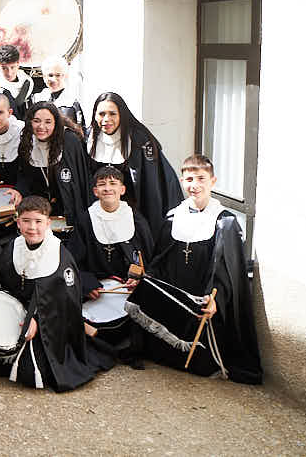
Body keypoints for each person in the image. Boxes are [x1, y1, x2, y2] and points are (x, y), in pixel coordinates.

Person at [0, 196, 115, 391]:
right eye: (26, 221)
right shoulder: (14, 246)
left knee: (31, 373)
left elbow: (66, 304)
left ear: (48, 223)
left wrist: (36, 319)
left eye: (38, 222)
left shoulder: (59, 255)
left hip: (50, 322)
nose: (32, 227)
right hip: (17, 310)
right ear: (17, 222)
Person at [138, 155, 262, 384]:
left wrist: (216, 298)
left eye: (200, 179)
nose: (194, 185)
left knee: (202, 363)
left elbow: (227, 271)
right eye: (189, 179)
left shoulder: (224, 222)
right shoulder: (173, 217)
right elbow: (161, 260)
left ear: (213, 181)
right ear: (182, 182)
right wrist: (148, 282)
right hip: (178, 295)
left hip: (205, 295)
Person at [72, 165, 155, 363]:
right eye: (102, 185)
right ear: (95, 191)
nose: (107, 188)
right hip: (97, 288)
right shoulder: (85, 220)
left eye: (113, 184)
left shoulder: (136, 219)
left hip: (127, 288)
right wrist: (86, 284)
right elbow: (74, 260)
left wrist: (138, 280)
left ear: (122, 190)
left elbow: (148, 259)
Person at [87, 92, 183, 244]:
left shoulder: (139, 139)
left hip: (133, 215)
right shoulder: (88, 139)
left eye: (112, 113)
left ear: (122, 115)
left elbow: (153, 183)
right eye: (101, 114)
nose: (106, 119)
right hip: (98, 212)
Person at [16, 101, 93, 235]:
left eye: (48, 122)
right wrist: (18, 191)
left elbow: (80, 179)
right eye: (36, 121)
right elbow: (25, 176)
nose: (41, 126)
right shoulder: (27, 141)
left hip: (67, 209)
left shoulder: (69, 141)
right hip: (41, 211)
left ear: (56, 124)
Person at [31, 56, 85, 131]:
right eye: (50, 75)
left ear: (65, 76)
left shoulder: (72, 101)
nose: (53, 79)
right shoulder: (37, 99)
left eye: (58, 75)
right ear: (44, 77)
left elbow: (80, 131)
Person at [0, 44, 33, 114]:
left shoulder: (27, 82)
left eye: (12, 67)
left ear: (18, 64)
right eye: (4, 68)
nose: (9, 73)